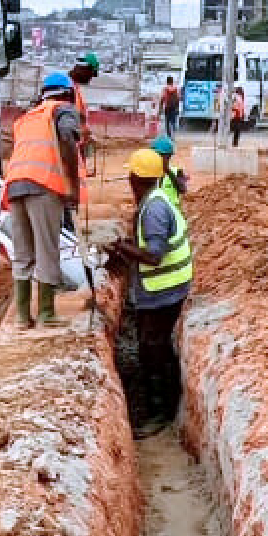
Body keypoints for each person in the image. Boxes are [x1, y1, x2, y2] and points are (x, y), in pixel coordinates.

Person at [104, 149, 193, 439]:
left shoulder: (153, 209)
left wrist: (122, 248)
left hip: (162, 291)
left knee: (152, 349)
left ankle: (160, 412)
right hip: (167, 288)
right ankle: (164, 402)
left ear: (136, 178)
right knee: (155, 345)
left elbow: (154, 256)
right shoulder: (156, 199)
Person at [0, 71, 83, 330]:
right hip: (43, 186)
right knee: (47, 248)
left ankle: (23, 317)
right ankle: (46, 313)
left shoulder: (28, 118)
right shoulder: (63, 111)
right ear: (67, 93)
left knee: (22, 252)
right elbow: (68, 139)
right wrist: (72, 185)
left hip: (15, 186)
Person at [68, 52, 100, 159]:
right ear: (84, 69)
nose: (91, 78)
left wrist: (86, 133)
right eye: (91, 73)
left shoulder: (74, 88)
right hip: (69, 146)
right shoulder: (66, 89)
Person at [149, 132, 189, 199]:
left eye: (163, 156)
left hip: (171, 208)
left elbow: (182, 190)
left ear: (169, 157)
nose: (160, 159)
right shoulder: (147, 173)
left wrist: (169, 173)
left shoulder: (176, 172)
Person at [228, 82, 249, 147]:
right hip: (236, 115)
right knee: (237, 130)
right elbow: (237, 106)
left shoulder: (239, 97)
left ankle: (235, 143)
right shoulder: (237, 97)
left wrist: (243, 114)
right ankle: (234, 143)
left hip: (237, 115)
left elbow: (241, 107)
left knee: (237, 130)